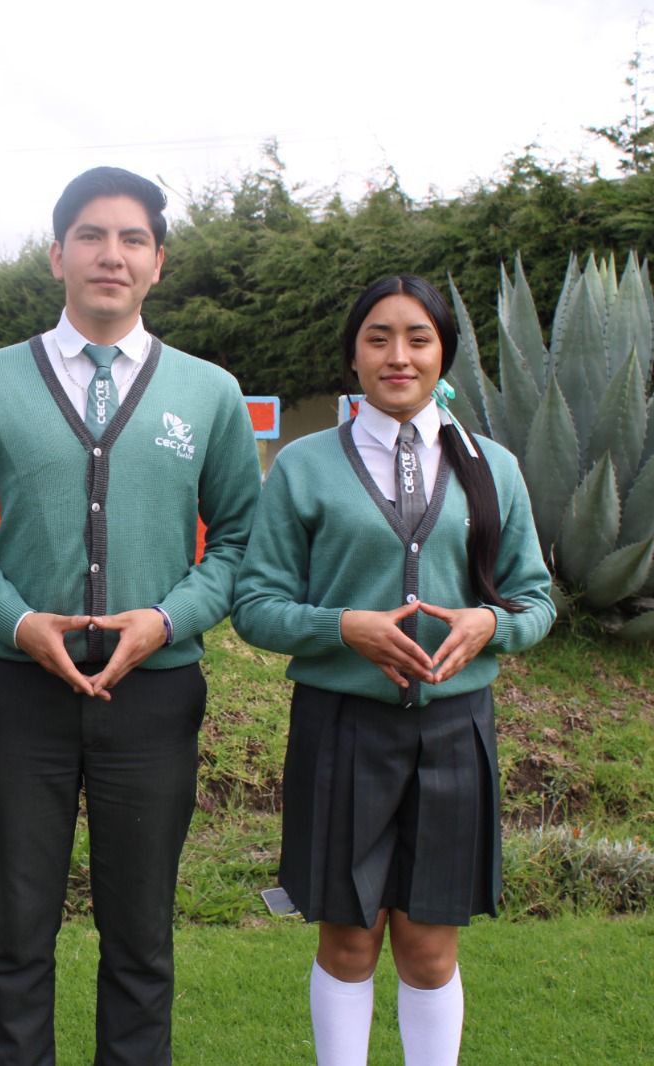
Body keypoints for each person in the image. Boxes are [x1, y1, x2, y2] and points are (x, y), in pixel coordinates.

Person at [0, 166, 260, 1065]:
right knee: (16, 932)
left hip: (155, 697)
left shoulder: (209, 393)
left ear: (158, 262)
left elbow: (239, 543)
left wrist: (166, 621)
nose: (113, 254)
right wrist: (19, 622)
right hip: (18, 694)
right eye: (93, 236)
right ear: (56, 254)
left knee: (141, 938)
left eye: (133, 238)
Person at [230, 275, 555, 1065]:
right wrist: (340, 627)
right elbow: (255, 605)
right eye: (378, 338)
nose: (398, 356)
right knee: (348, 942)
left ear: (444, 354)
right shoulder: (304, 467)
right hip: (341, 731)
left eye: (418, 338)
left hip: (454, 734)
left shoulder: (493, 468)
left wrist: (492, 624)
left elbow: (537, 600)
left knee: (430, 949)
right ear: (353, 356)